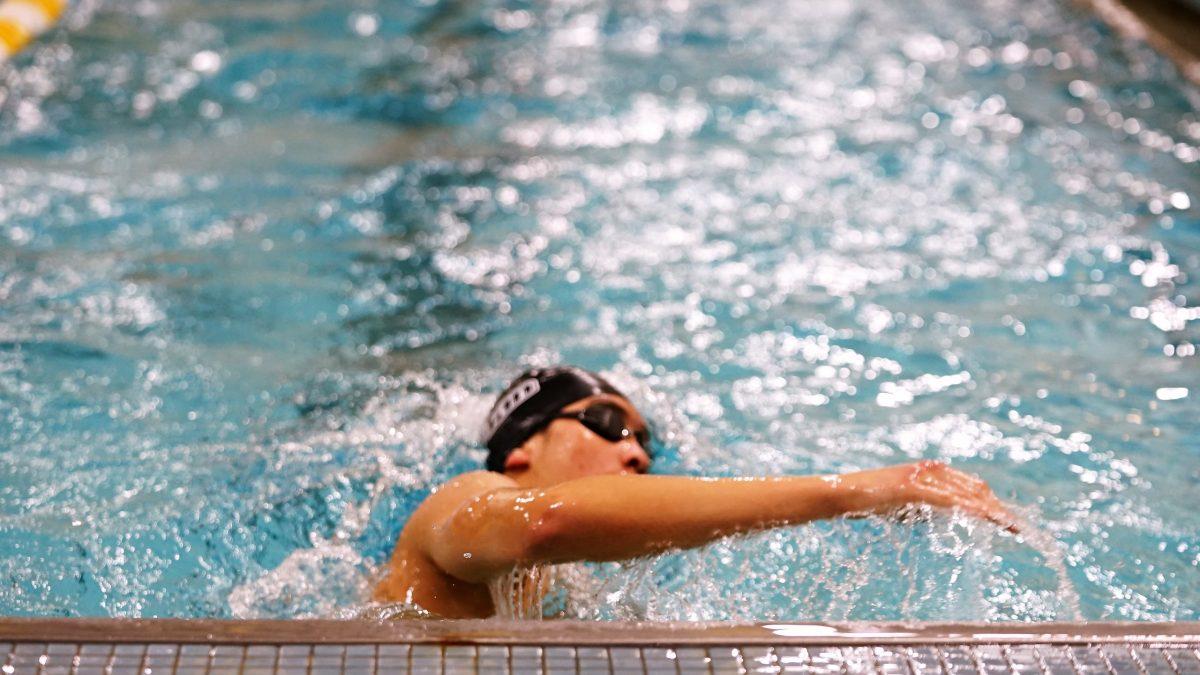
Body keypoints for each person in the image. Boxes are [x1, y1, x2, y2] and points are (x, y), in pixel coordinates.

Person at [373, 366, 1017, 618]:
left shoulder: (572, 592)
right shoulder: (463, 499)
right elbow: (545, 524)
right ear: (521, 447)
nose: (635, 451)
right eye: (606, 424)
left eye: (644, 441)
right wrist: (846, 493)